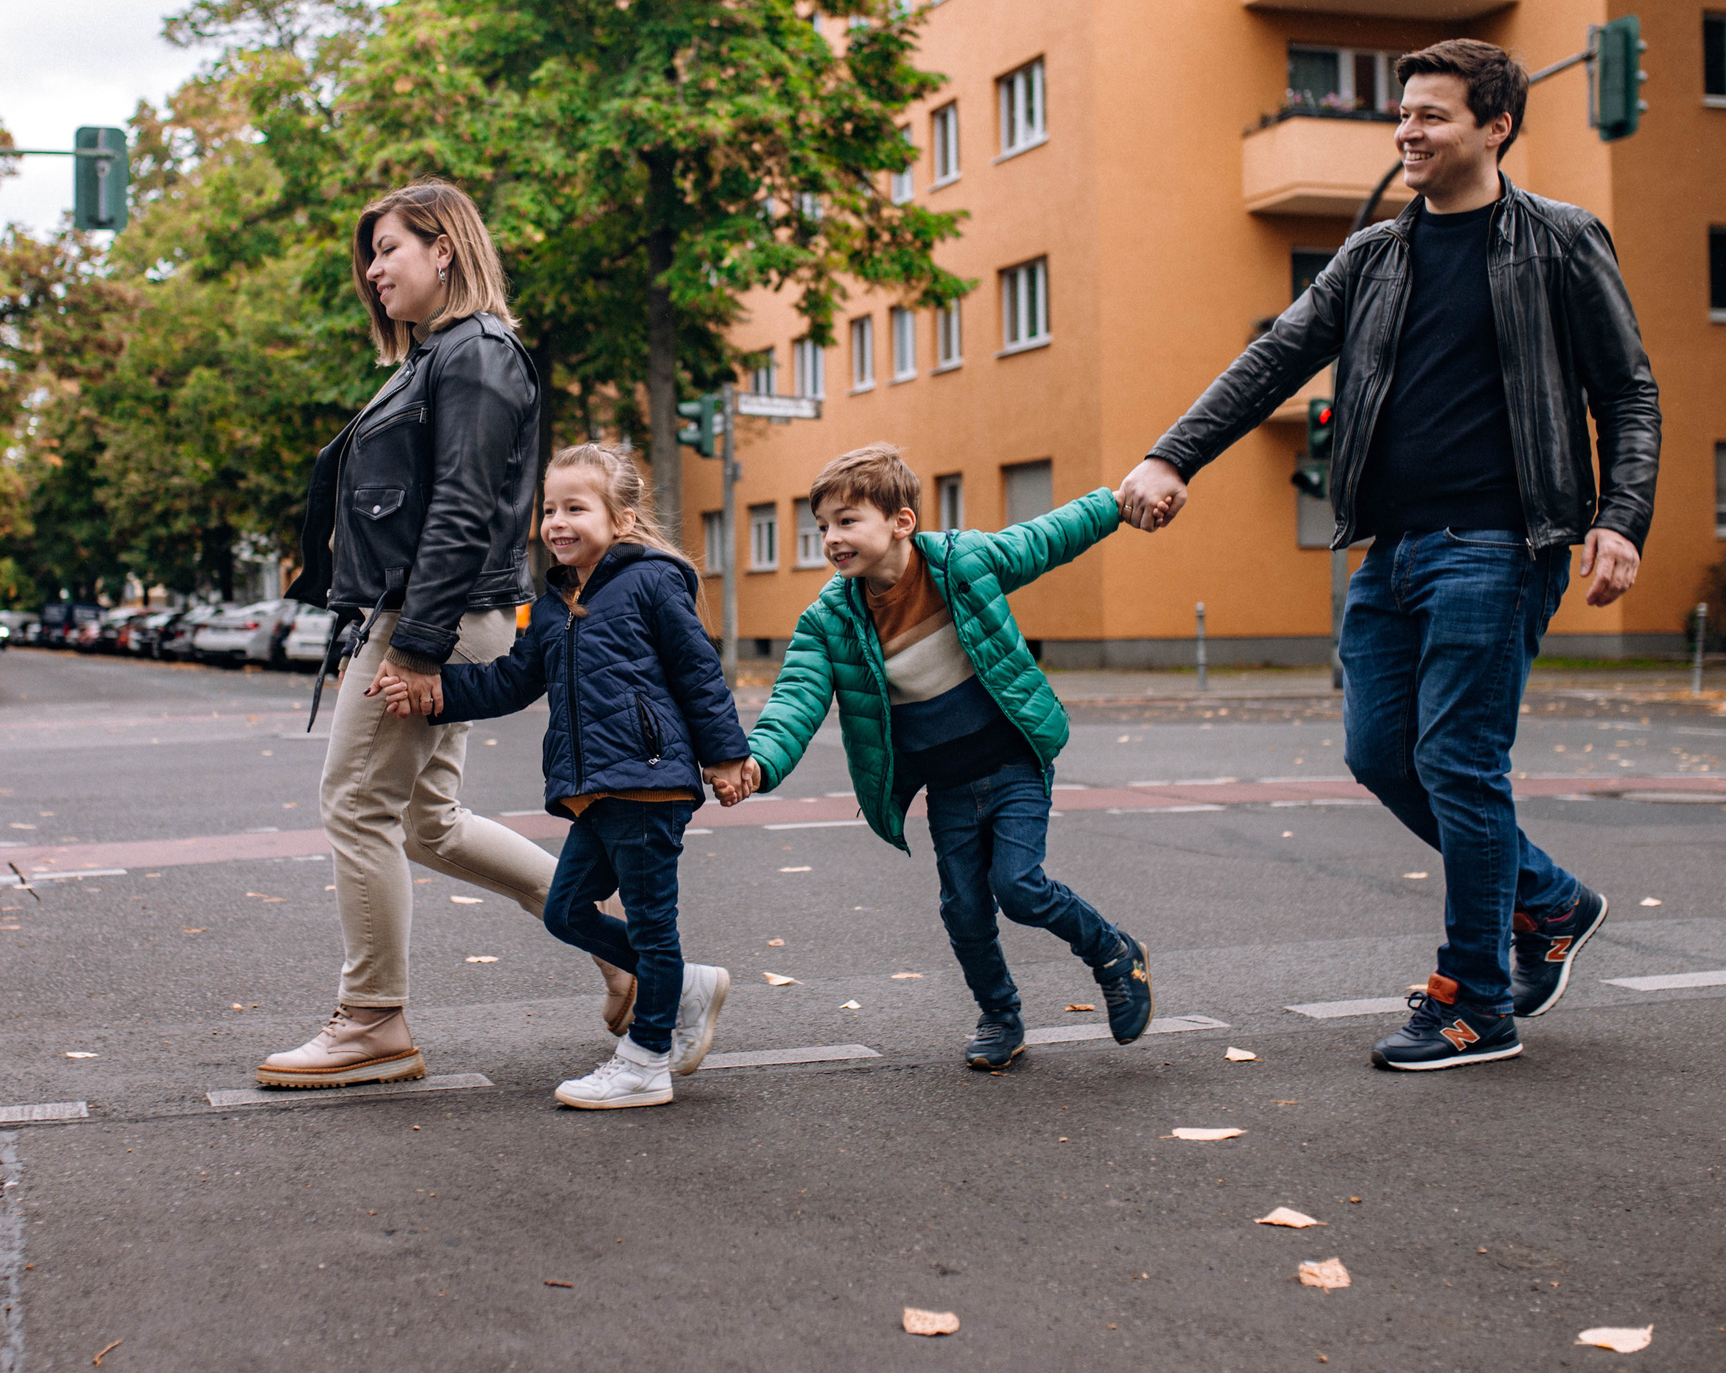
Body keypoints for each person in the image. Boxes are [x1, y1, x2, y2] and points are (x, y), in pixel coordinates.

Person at [1118, 38, 1659, 1072]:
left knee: (1458, 761)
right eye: (1400, 115)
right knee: (1379, 754)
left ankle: (1475, 1004)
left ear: (1495, 125)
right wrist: (1170, 454)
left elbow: (1627, 390)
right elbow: (1275, 355)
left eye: (1432, 116)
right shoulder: (1374, 255)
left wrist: (1620, 518)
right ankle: (1547, 903)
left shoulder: (1557, 240)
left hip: (1502, 542)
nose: (1408, 132)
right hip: (1393, 550)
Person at [258, 180, 633, 1090]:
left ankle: (373, 1021)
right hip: (424, 614)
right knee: (427, 821)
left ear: (445, 250)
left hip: (429, 620)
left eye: (388, 248)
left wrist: (413, 646)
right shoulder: (436, 359)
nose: (374, 270)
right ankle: (620, 945)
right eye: (371, 255)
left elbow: (465, 508)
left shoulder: (477, 355)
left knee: (356, 802)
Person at [713, 443, 1152, 1071]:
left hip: (1013, 766)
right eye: (822, 527)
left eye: (846, 521)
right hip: (949, 786)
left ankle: (1112, 952)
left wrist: (1115, 503)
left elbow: (1046, 536)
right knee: (966, 909)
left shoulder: (964, 564)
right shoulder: (829, 621)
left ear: (901, 522)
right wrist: (757, 763)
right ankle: (1000, 1015)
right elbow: (795, 701)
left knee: (1018, 887)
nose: (831, 538)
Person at [381, 445, 749, 1109]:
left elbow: (698, 670)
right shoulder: (553, 605)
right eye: (549, 508)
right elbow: (511, 680)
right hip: (595, 793)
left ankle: (646, 1058)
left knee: (651, 928)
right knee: (565, 910)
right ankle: (683, 984)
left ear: (623, 519)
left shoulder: (652, 581)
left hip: (648, 781)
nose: (556, 521)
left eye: (575, 507)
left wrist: (725, 755)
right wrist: (433, 691)